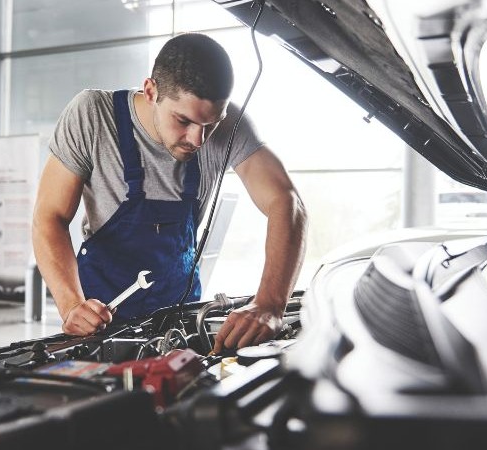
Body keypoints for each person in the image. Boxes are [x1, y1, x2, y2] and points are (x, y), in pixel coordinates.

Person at [33, 33, 307, 354]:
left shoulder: (229, 125)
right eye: (183, 120)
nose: (199, 139)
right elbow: (49, 217)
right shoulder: (93, 115)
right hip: (99, 321)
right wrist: (71, 306)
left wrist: (270, 303)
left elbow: (287, 202)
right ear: (151, 91)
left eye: (211, 124)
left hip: (181, 322)